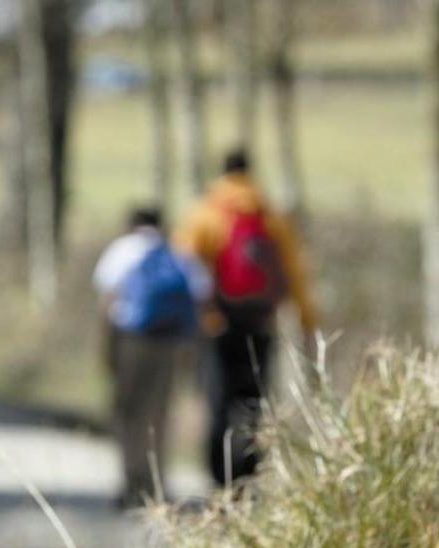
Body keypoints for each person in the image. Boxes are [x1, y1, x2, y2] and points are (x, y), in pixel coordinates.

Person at [175, 149, 317, 487]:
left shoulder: (205, 214)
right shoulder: (271, 217)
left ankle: (218, 479)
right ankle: (250, 477)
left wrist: (190, 319)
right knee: (254, 403)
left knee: (218, 402)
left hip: (217, 326)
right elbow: (296, 274)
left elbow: (183, 269)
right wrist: (307, 322)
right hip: (261, 324)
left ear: (221, 172)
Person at [94, 207, 211, 507]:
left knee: (128, 413)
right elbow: (201, 296)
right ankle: (157, 484)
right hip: (171, 344)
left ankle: (131, 482)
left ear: (132, 225)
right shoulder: (179, 253)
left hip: (132, 341)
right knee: (159, 413)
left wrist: (107, 352)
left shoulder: (122, 250)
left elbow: (106, 302)